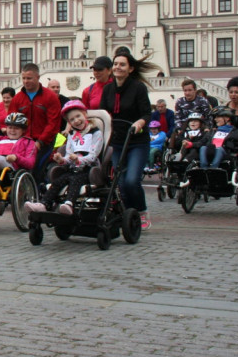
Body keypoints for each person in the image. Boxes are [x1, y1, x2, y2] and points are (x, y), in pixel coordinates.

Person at [100, 48, 158, 229]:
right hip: (117, 142)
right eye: (115, 64)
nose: (118, 67)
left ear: (130, 68)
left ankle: (141, 211)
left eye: (122, 64)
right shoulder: (108, 88)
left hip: (136, 142)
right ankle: (128, 215)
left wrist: (139, 123)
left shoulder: (138, 88)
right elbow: (103, 114)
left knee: (132, 180)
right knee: (121, 181)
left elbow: (147, 114)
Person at [24, 101, 105, 214]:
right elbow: (68, 156)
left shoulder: (95, 133)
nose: (76, 121)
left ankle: (69, 204)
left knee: (74, 180)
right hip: (73, 169)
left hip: (89, 169)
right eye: (72, 120)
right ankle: (44, 203)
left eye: (78, 116)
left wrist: (78, 159)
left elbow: (93, 156)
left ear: (84, 115)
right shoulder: (72, 135)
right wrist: (61, 160)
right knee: (58, 181)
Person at [8, 63, 62, 175]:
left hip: (44, 142)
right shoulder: (17, 98)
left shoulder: (50, 97)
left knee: (37, 171)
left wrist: (40, 142)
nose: (26, 81)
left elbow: (53, 123)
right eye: (23, 78)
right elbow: (11, 120)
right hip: (23, 141)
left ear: (37, 77)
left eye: (29, 78)